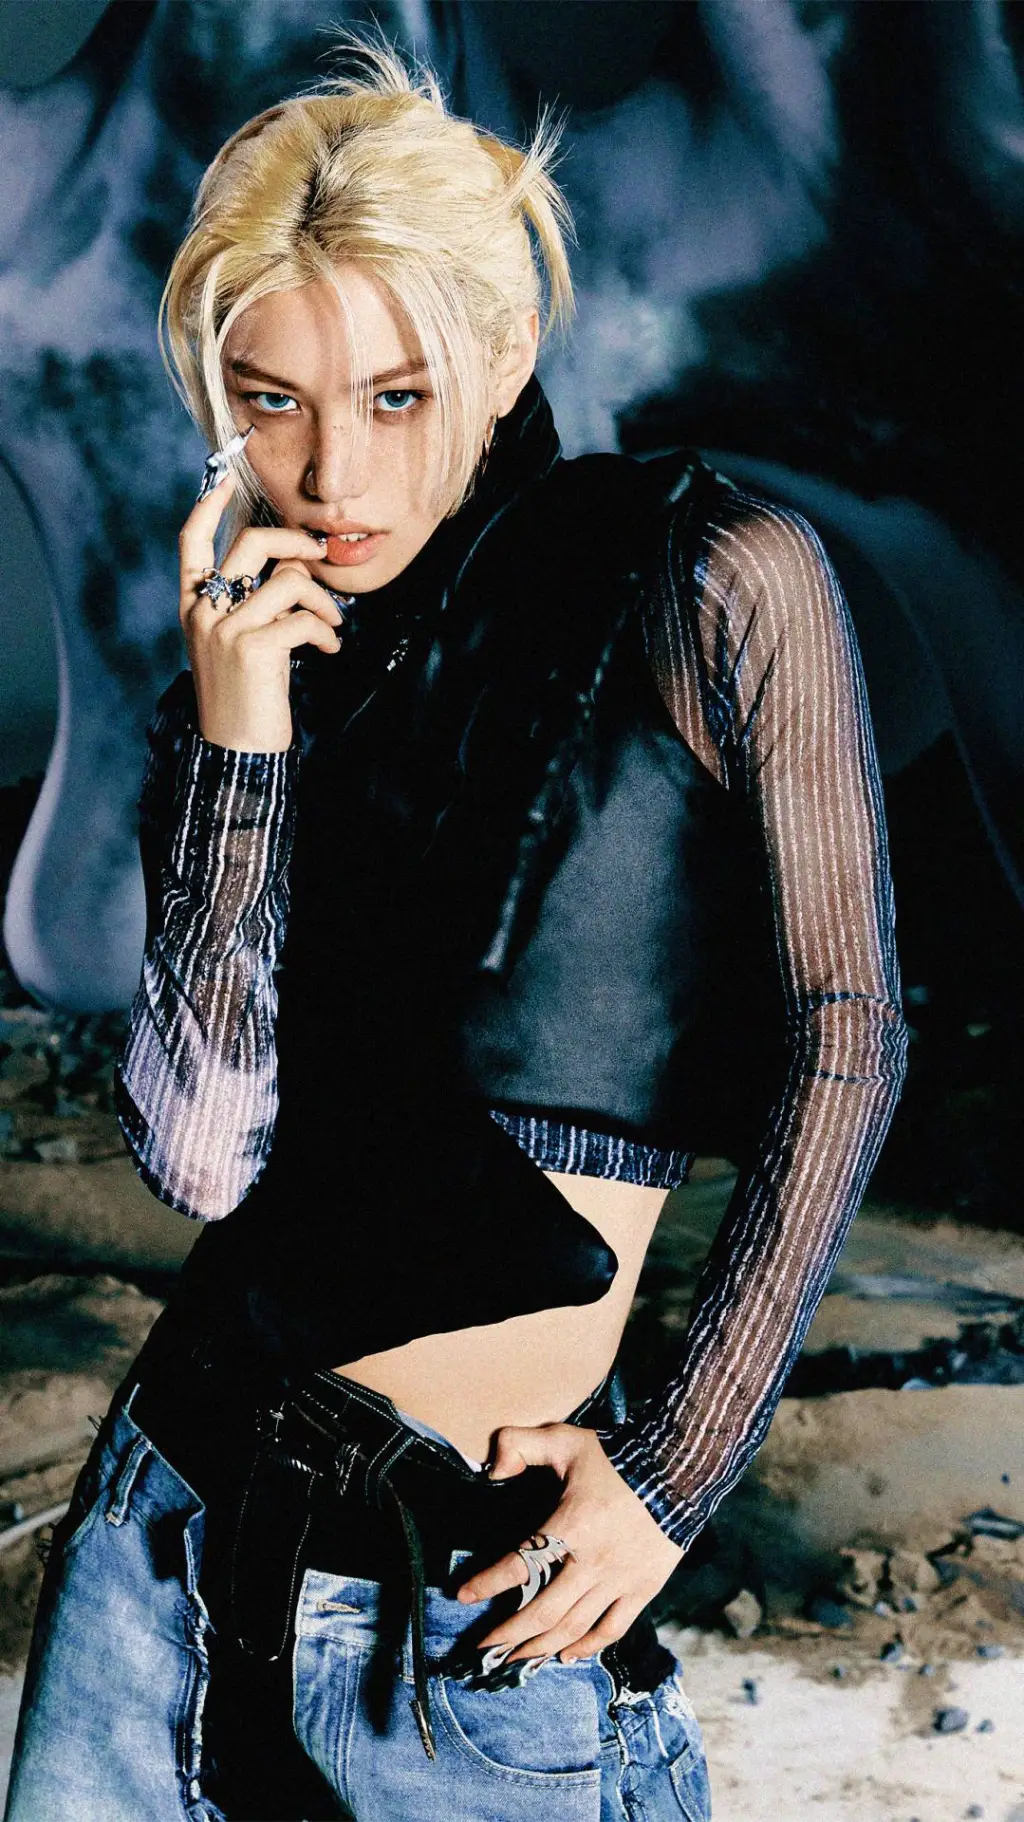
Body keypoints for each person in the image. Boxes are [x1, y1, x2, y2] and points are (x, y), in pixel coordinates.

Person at [4, 32, 908, 1822]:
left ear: (503, 355)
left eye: (397, 395)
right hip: (159, 1562)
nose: (333, 474)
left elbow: (850, 1027)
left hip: (465, 1613)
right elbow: (200, 1157)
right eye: (270, 399)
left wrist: (674, 1469)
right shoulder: (239, 675)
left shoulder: (715, 576)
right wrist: (240, 745)